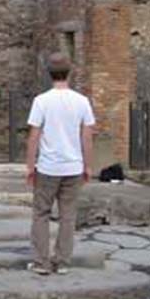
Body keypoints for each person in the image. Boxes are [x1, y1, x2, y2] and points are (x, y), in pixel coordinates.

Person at [25, 52, 95, 275]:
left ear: (49, 73)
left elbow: (34, 136)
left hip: (48, 166)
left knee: (41, 213)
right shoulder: (82, 101)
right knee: (68, 215)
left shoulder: (41, 101)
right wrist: (88, 165)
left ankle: (41, 261)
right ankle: (62, 261)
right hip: (73, 166)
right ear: (70, 72)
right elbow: (87, 136)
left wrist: (30, 166)